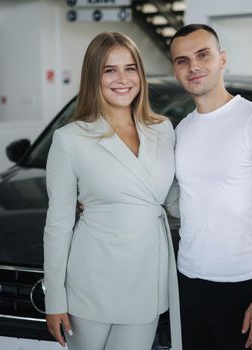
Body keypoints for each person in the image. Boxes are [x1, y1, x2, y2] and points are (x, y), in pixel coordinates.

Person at [43, 32, 182, 350]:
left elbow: (174, 201)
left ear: (141, 75)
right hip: (92, 281)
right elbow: (58, 226)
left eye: (130, 68)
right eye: (109, 70)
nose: (122, 79)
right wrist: (55, 298)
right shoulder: (70, 138)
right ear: (94, 77)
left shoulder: (163, 130)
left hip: (147, 278)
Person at [169, 24, 252, 350]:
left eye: (202, 55)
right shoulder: (182, 130)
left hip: (244, 285)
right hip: (188, 281)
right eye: (182, 60)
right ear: (175, 70)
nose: (193, 66)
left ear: (222, 59)